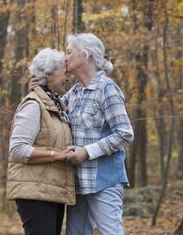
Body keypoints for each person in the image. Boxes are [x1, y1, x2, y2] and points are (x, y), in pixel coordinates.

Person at [29, 33, 134, 234]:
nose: (65, 58)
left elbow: (125, 133)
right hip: (77, 182)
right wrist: (36, 90)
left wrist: (87, 151)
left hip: (105, 180)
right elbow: (48, 112)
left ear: (86, 54)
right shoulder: (74, 93)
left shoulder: (107, 89)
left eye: (69, 52)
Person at [7, 48, 76, 235]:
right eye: (64, 71)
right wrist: (58, 155)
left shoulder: (56, 105)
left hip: (51, 190)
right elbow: (18, 150)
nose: (68, 77)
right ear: (48, 74)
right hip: (34, 193)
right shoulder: (33, 105)